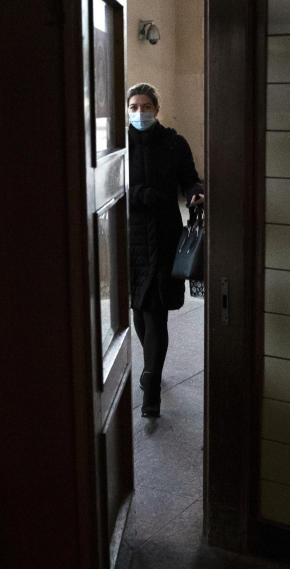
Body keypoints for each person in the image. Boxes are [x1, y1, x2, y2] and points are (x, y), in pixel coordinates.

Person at [127, 83, 204, 418]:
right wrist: (139, 195)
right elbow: (104, 187)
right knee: (137, 309)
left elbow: (190, 178)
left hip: (165, 235)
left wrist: (196, 192)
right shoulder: (118, 146)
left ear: (156, 108)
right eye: (133, 107)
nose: (139, 113)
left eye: (145, 106)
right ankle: (152, 368)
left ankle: (151, 387)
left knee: (154, 310)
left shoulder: (174, 143)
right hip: (130, 237)